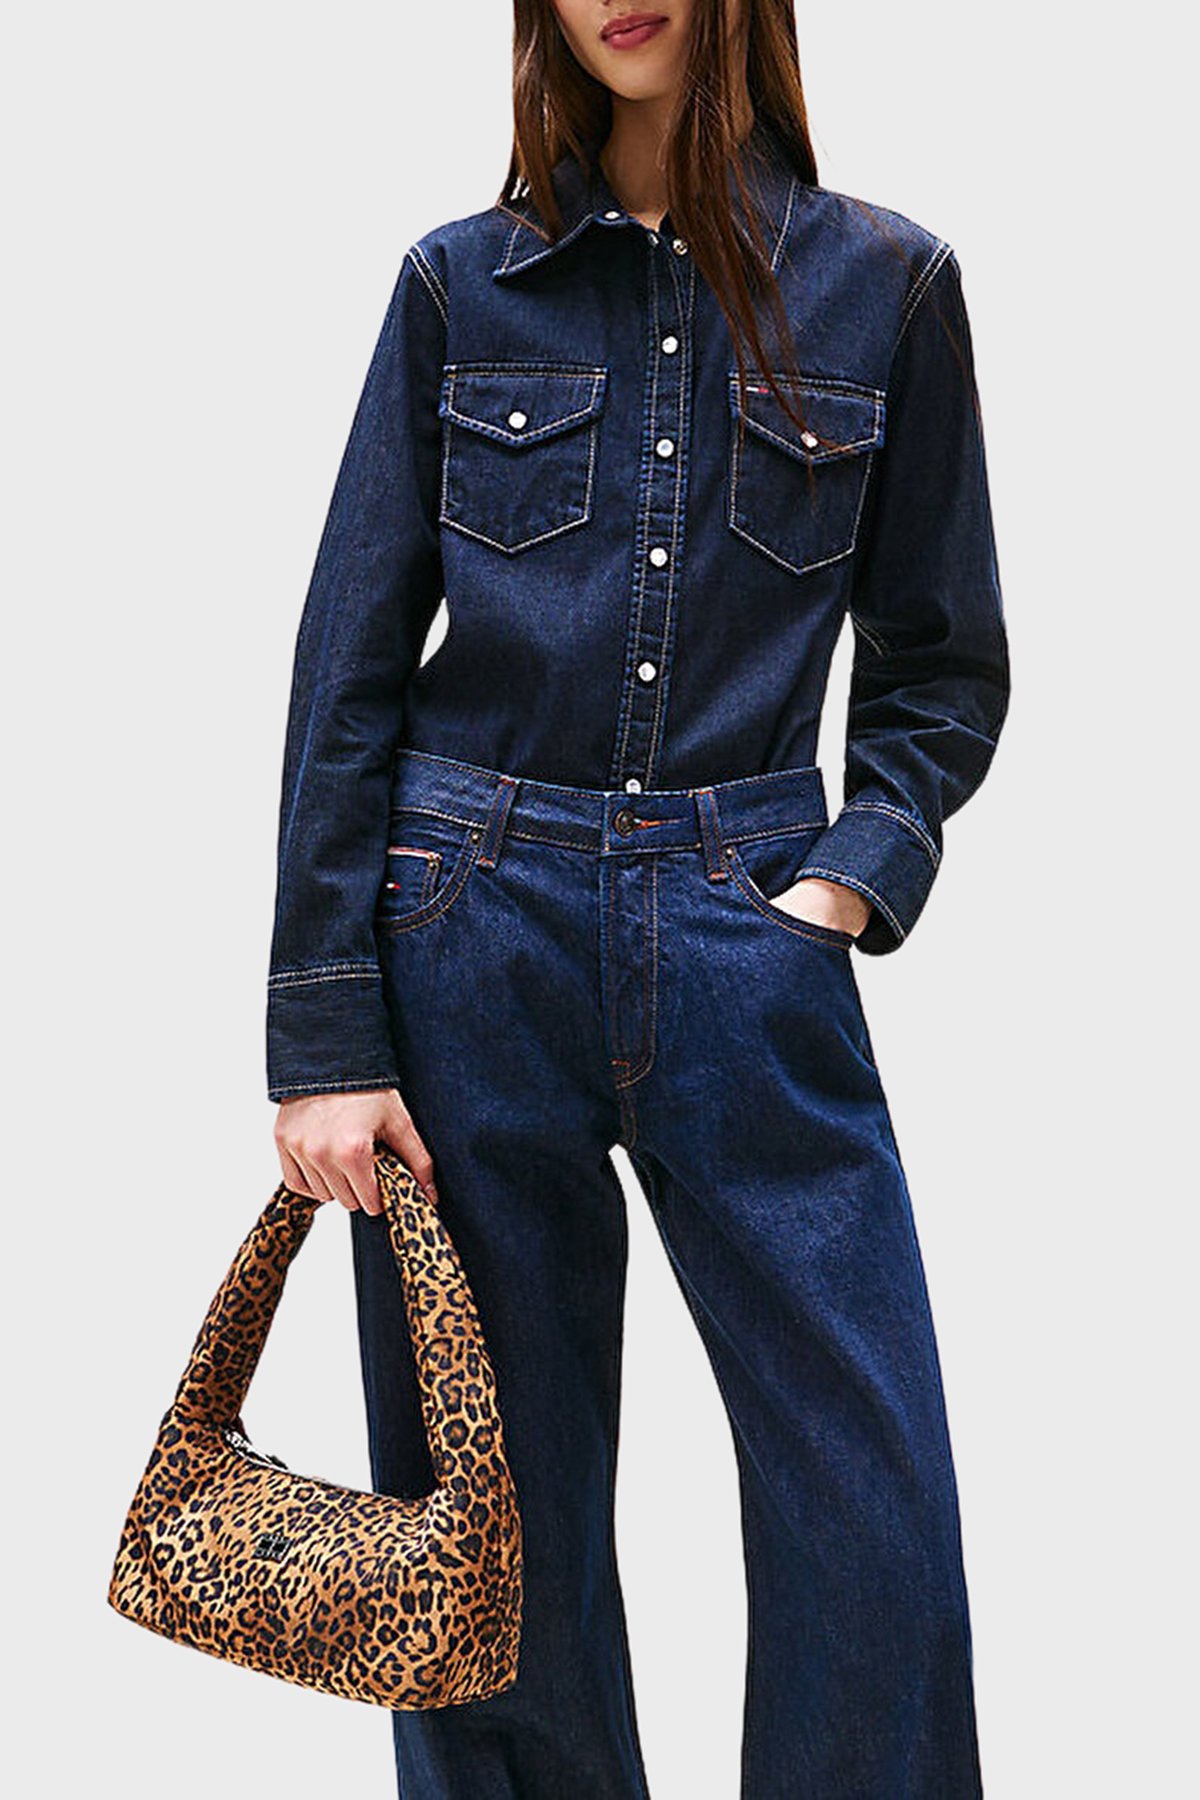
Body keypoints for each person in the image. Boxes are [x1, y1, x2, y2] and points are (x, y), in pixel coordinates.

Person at [266, 0, 1010, 1792]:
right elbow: (349, 670)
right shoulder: (459, 286)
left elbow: (942, 666)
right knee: (486, 1529)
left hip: (747, 922)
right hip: (471, 924)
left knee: (874, 1511)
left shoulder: (889, 286)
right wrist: (325, 1035)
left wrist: (848, 883)